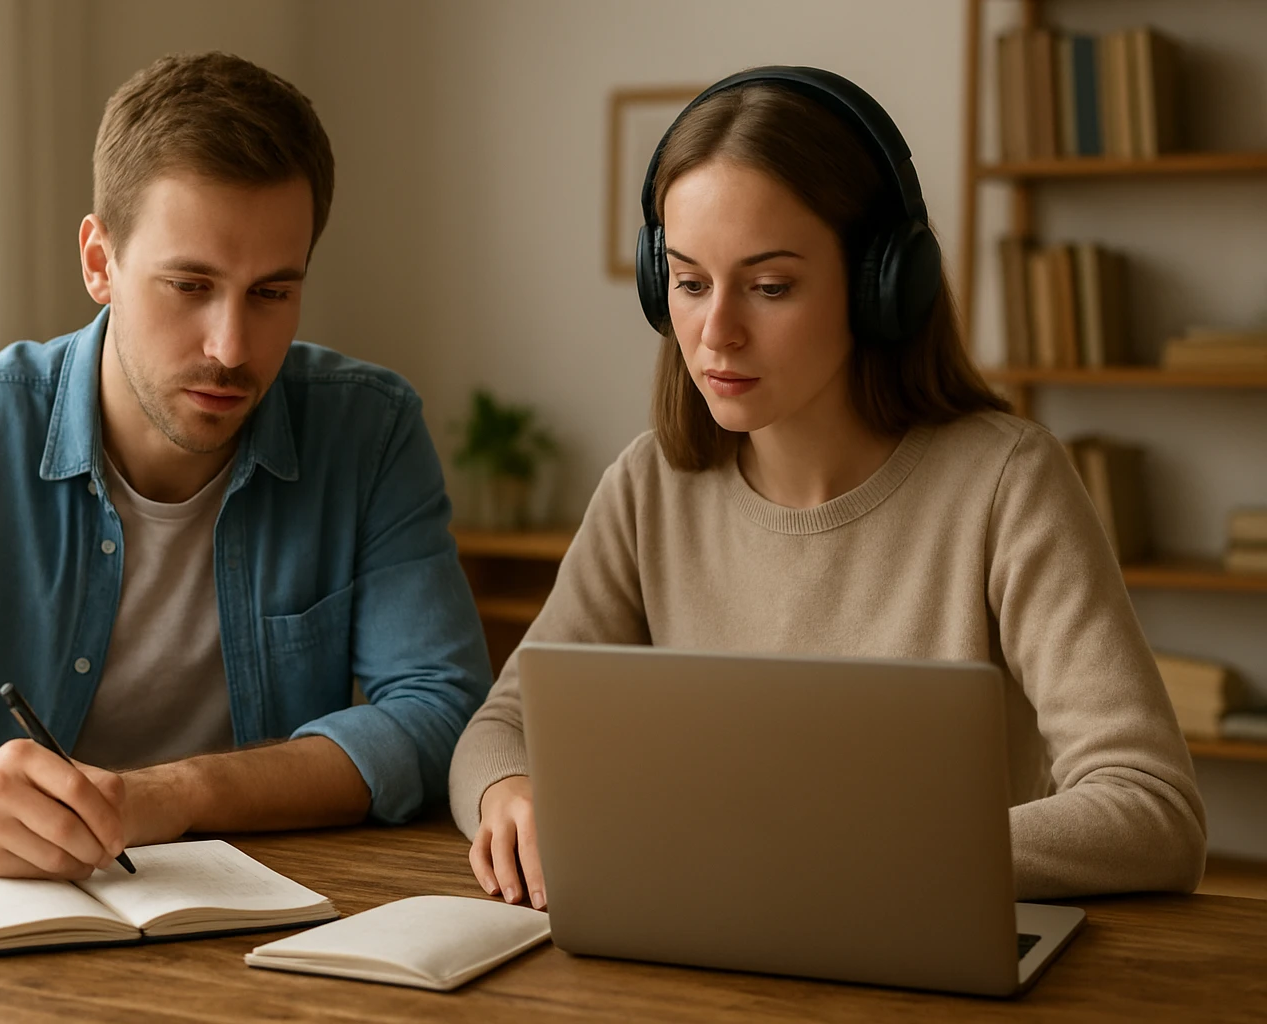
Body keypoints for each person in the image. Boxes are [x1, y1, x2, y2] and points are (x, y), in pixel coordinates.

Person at [449, 67, 1205, 911]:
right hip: (700, 953)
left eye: (770, 287)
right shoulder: (648, 486)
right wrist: (507, 795)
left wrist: (841, 858)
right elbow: (501, 728)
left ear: (883, 284)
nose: (717, 332)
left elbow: (1152, 809)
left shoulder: (1006, 484)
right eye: (690, 283)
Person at [0, 52, 491, 880]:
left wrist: (177, 794)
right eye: (189, 285)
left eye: (272, 293)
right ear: (99, 263)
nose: (231, 348)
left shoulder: (370, 432)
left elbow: (439, 713)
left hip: (274, 929)